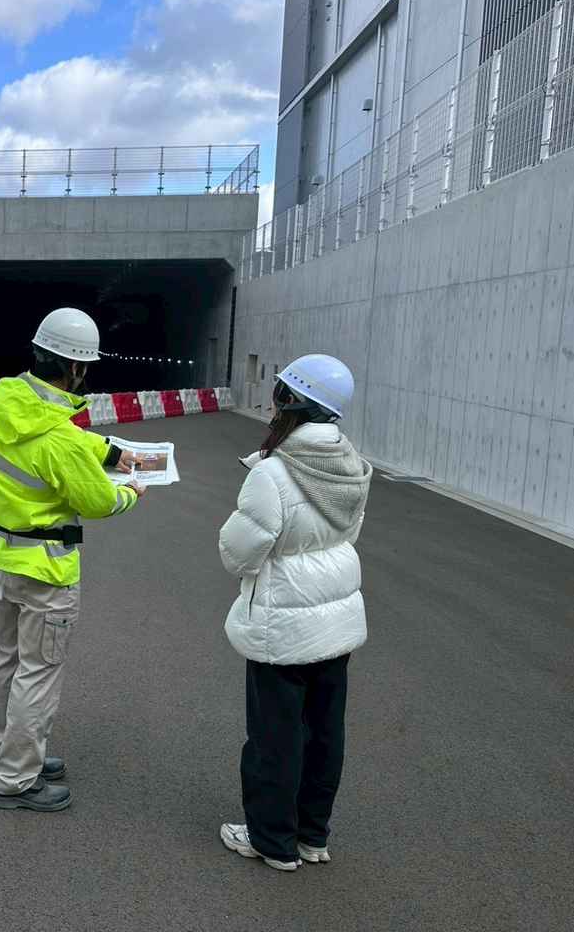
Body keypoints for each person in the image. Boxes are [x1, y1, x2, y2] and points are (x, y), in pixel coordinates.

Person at [0, 307, 145, 812]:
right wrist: (131, 489)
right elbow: (97, 501)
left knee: (10, 664)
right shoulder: (59, 439)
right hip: (49, 570)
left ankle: (7, 752)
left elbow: (66, 439)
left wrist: (110, 451)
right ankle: (16, 779)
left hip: (6, 557)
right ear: (75, 369)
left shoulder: (2, 406)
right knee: (39, 672)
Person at [216, 353, 372, 869]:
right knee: (325, 733)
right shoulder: (352, 465)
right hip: (337, 617)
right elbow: (346, 535)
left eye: (278, 390)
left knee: (273, 738)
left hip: (283, 622)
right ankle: (312, 835)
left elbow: (238, 552)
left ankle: (271, 840)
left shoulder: (274, 474)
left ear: (288, 400)